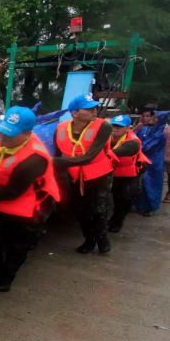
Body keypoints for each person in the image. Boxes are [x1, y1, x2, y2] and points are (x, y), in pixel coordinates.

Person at [0, 106, 60, 292]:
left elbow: (12, 193)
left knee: (18, 244)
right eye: (3, 132)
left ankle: (7, 276)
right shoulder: (5, 141)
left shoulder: (34, 160)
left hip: (29, 204)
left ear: (27, 133)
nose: (2, 138)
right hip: (1, 195)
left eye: (9, 135)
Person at [53, 94, 115, 253]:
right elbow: (57, 151)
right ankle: (89, 239)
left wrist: (56, 162)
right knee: (80, 210)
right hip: (75, 175)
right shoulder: (60, 127)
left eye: (95, 107)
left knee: (99, 210)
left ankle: (103, 241)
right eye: (89, 109)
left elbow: (89, 157)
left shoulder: (104, 127)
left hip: (99, 174)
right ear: (75, 113)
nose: (94, 111)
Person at [107, 115, 149, 232]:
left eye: (119, 127)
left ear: (127, 128)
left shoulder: (133, 142)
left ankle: (118, 222)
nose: (115, 129)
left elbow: (112, 153)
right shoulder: (109, 137)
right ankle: (114, 218)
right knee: (116, 197)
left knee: (125, 199)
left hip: (131, 175)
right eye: (114, 126)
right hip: (116, 173)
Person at [134, 108, 169, 215]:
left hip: (153, 164)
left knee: (150, 185)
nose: (151, 119)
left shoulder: (159, 133)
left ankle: (149, 207)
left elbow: (146, 147)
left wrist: (135, 145)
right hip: (143, 161)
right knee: (141, 184)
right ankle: (140, 206)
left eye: (154, 117)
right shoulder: (146, 128)